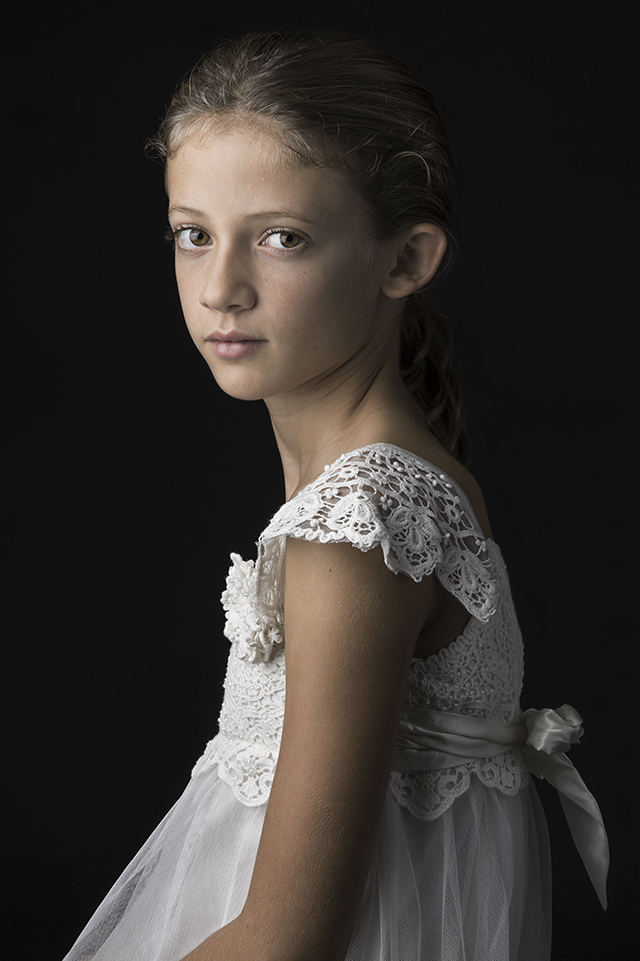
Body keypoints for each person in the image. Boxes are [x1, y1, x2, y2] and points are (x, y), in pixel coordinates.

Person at [62, 30, 608, 961]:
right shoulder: (408, 481)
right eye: (193, 234)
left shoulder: (356, 533)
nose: (221, 289)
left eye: (282, 238)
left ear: (404, 260)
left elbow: (286, 939)